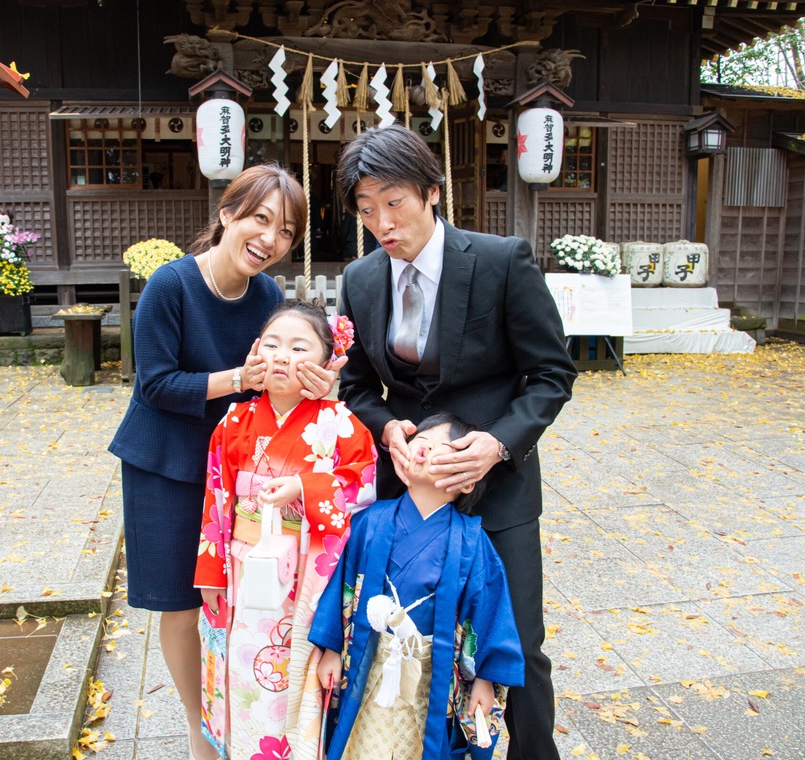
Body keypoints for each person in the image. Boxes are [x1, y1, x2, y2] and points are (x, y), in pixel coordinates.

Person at [335, 125, 577, 759]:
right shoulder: (361, 280)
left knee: (517, 647)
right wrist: (385, 427)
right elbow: (357, 387)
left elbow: (553, 373)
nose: (381, 223)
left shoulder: (500, 261)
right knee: (408, 640)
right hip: (411, 498)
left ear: (432, 192)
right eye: (366, 210)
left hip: (498, 492)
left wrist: (496, 444)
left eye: (394, 203)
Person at [108, 164, 338, 760]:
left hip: (235, 466)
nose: (270, 239)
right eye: (260, 218)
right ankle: (197, 726)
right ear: (228, 215)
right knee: (181, 603)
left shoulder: (265, 296)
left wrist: (311, 384)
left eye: (285, 231)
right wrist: (238, 376)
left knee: (229, 596)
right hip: (164, 462)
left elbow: (272, 385)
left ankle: (230, 707)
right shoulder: (171, 284)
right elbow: (155, 384)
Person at [195, 303, 378, 760]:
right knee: (242, 671)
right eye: (273, 344)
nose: (282, 356)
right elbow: (217, 499)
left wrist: (304, 486)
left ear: (326, 360)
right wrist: (211, 574)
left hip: (307, 579)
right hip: (242, 569)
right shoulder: (233, 422)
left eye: (300, 347)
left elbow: (363, 489)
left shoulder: (341, 425)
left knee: (298, 678)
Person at [310, 413, 525, 760]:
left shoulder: (471, 542)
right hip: (370, 666)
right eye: (418, 444)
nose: (423, 451)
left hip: (430, 676)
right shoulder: (370, 522)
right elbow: (342, 588)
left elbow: (488, 612)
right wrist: (332, 648)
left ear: (467, 479)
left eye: (440, 449)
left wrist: (484, 679)